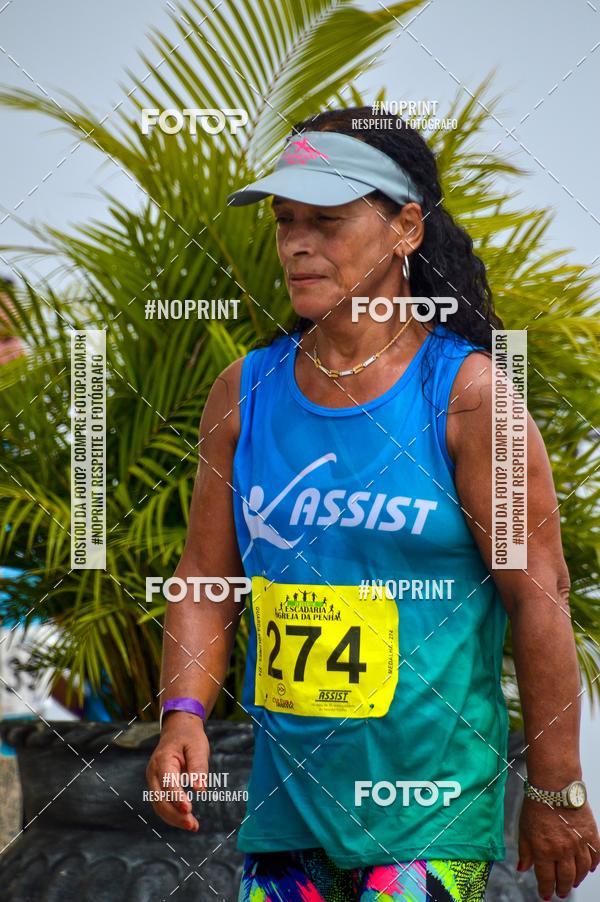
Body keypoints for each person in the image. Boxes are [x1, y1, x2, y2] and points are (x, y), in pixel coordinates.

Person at [145, 108, 600, 901]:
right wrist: (182, 713)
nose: (295, 243)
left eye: (326, 220)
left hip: (429, 811)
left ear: (406, 229)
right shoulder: (244, 393)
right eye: (287, 221)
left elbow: (540, 598)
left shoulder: (470, 400)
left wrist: (557, 791)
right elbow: (203, 578)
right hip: (287, 814)